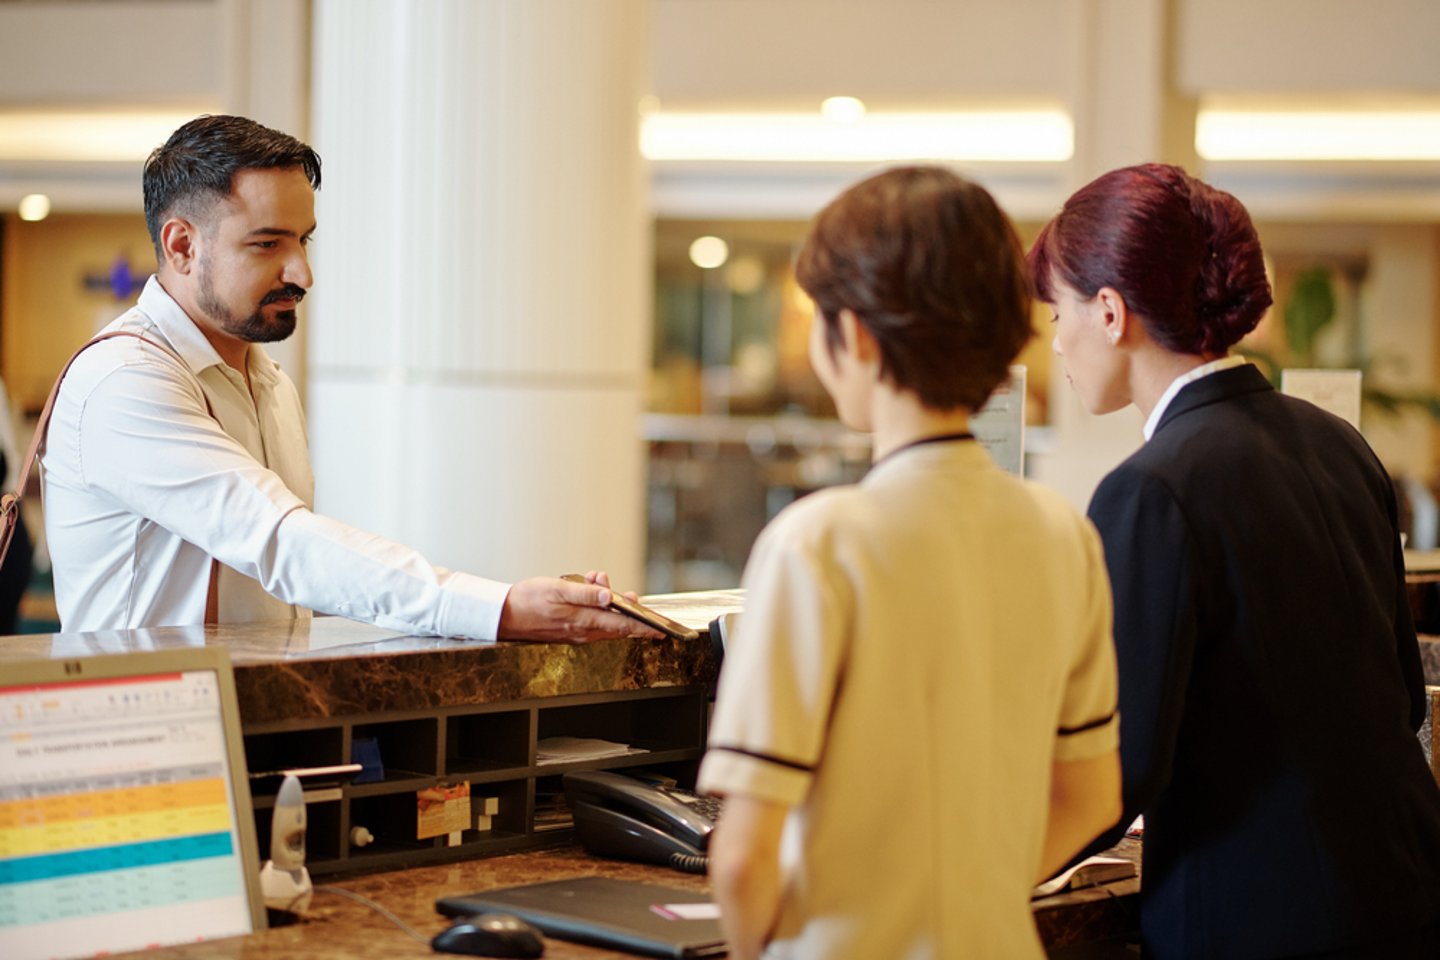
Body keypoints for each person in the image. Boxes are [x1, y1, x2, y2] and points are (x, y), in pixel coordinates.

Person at [696, 167, 1122, 960]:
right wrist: (969, 892)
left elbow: (745, 856)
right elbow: (1091, 793)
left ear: (852, 335)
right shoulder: (1065, 535)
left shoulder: (817, 542)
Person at [39, 115, 659, 642]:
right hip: (146, 743)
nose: (302, 272)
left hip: (260, 724)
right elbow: (281, 543)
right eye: (268, 244)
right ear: (181, 247)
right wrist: (498, 609)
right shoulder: (123, 380)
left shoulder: (267, 379)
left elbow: (287, 586)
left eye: (304, 240)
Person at [1030, 162, 1440, 958]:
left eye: (1057, 311)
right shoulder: (1339, 444)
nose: (1055, 340)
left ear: (1110, 312)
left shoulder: (1150, 489)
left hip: (1259, 922)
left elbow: (1114, 770)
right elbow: (1401, 693)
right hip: (1406, 887)